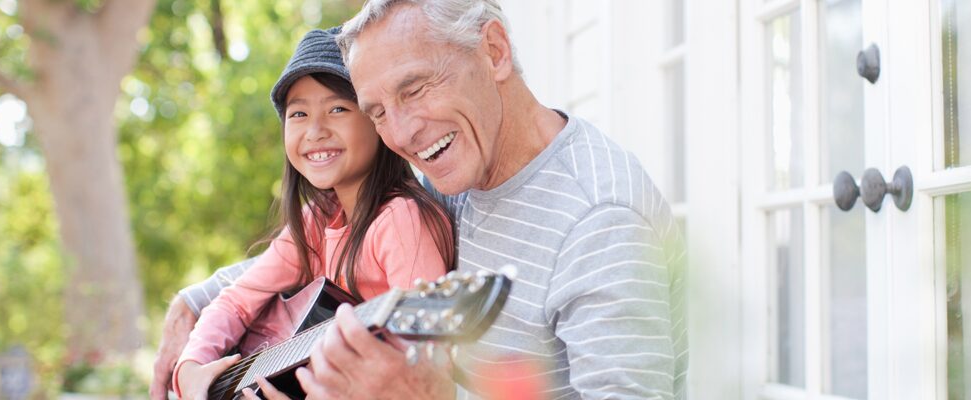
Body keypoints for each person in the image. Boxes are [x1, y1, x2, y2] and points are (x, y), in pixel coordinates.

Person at [151, 1, 688, 398]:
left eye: (415, 89)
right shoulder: (459, 171)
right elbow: (327, 242)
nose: (402, 134)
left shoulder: (599, 220)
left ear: (494, 51)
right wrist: (197, 300)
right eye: (378, 110)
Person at [166, 26, 458, 400]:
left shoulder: (399, 222)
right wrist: (189, 370)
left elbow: (427, 369)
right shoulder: (318, 219)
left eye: (337, 108)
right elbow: (237, 300)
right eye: (299, 113)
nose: (315, 131)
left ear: (376, 118)